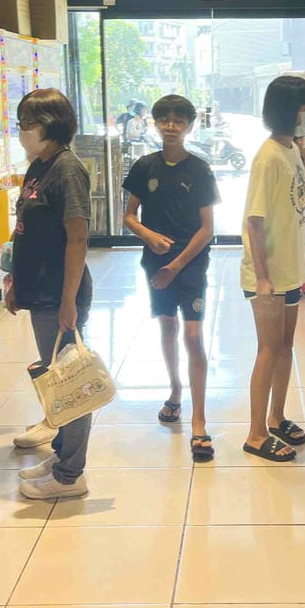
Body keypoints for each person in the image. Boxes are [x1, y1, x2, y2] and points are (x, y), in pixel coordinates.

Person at [7, 88, 96, 501]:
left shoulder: (66, 169)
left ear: (52, 125)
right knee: (54, 379)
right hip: (38, 290)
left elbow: (77, 237)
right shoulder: (38, 166)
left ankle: (70, 475)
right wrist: (13, 283)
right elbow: (24, 228)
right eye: (21, 123)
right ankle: (62, 454)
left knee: (69, 384)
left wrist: (68, 301)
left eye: (30, 124)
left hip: (60, 292)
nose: (23, 131)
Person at [123, 94, 220, 462]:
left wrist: (176, 264)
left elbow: (208, 229)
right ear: (155, 122)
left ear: (190, 125)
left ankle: (199, 420)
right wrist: (149, 236)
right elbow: (129, 216)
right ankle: (175, 391)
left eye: (179, 120)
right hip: (155, 261)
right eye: (164, 119)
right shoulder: (145, 166)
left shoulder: (200, 169)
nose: (171, 125)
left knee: (193, 336)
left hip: (190, 263)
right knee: (167, 328)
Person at [240, 75, 305, 462]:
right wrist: (264, 277)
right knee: (269, 350)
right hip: (267, 276)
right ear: (288, 112)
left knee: (286, 348)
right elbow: (254, 221)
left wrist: (303, 153)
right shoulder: (267, 156)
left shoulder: (289, 149)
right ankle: (255, 433)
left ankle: (277, 416)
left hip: (290, 270)